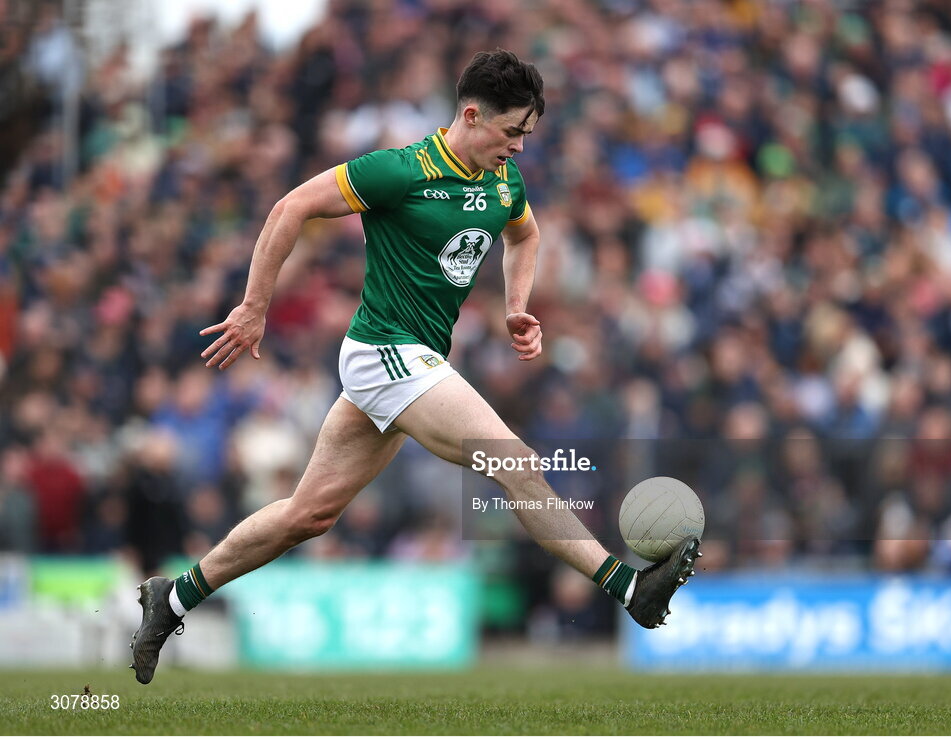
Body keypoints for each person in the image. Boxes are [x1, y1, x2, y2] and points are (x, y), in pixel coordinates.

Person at [130, 49, 701, 684]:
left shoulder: (503, 181)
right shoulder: (399, 171)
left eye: (527, 135)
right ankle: (627, 588)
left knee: (307, 515)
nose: (518, 146)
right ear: (472, 114)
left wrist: (517, 306)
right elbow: (291, 207)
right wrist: (254, 307)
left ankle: (173, 596)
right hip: (384, 352)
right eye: (512, 131)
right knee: (512, 462)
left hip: (413, 363)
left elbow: (525, 233)